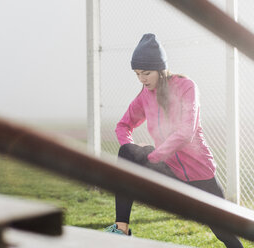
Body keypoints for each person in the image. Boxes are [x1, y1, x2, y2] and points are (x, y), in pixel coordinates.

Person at [104, 33, 244, 248]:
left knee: (224, 233)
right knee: (127, 153)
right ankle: (120, 228)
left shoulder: (186, 87)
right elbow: (123, 125)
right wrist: (133, 148)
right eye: (137, 73)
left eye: (146, 73)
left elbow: (186, 131)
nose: (141, 79)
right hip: (169, 172)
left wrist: (152, 156)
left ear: (161, 69)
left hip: (200, 176)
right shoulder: (144, 95)